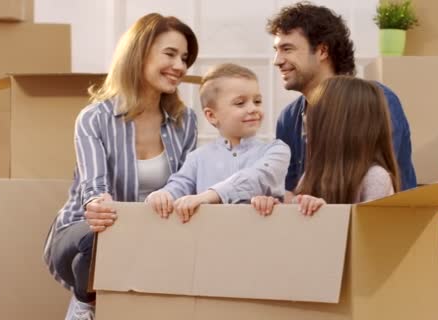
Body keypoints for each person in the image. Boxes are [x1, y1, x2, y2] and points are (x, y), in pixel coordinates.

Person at [42, 13, 199, 320]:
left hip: (149, 235)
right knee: (100, 235)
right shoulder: (94, 118)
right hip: (85, 233)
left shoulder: (186, 121)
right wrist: (99, 203)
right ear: (139, 52)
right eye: (170, 54)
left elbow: (187, 182)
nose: (180, 66)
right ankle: (84, 305)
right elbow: (94, 186)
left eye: (184, 58)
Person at [267, 2, 416, 202]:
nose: (277, 60)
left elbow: (372, 183)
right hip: (316, 226)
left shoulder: (375, 100)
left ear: (322, 51)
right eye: (276, 50)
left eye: (287, 49)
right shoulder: (289, 118)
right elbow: (291, 191)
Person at [146, 63, 290, 221]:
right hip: (208, 240)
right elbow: (180, 185)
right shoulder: (197, 158)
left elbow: (256, 178)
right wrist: (162, 195)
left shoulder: (276, 150)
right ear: (212, 116)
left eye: (257, 101)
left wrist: (208, 196)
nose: (253, 108)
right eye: (240, 103)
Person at [252, 76, 399, 216]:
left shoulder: (376, 178)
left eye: (314, 117)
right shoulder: (312, 174)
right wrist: (273, 206)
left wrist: (325, 214)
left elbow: (369, 236)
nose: (306, 125)